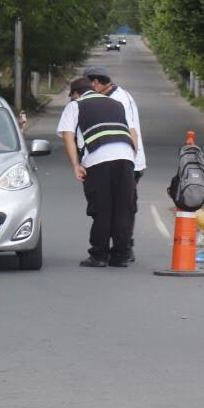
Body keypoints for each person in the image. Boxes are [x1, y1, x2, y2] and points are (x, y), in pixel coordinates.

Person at [56, 77, 136, 267]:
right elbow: (132, 132)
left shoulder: (76, 106)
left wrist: (76, 165)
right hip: (126, 158)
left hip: (98, 160)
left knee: (102, 208)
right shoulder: (116, 103)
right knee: (123, 209)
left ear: (76, 93)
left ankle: (99, 256)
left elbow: (68, 137)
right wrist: (132, 157)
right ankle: (121, 256)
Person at [85, 66, 145, 261]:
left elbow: (131, 130)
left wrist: (131, 159)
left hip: (126, 158)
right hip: (127, 157)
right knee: (122, 207)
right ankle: (123, 249)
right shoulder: (117, 95)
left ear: (96, 82)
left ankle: (123, 249)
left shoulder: (116, 99)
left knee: (119, 207)